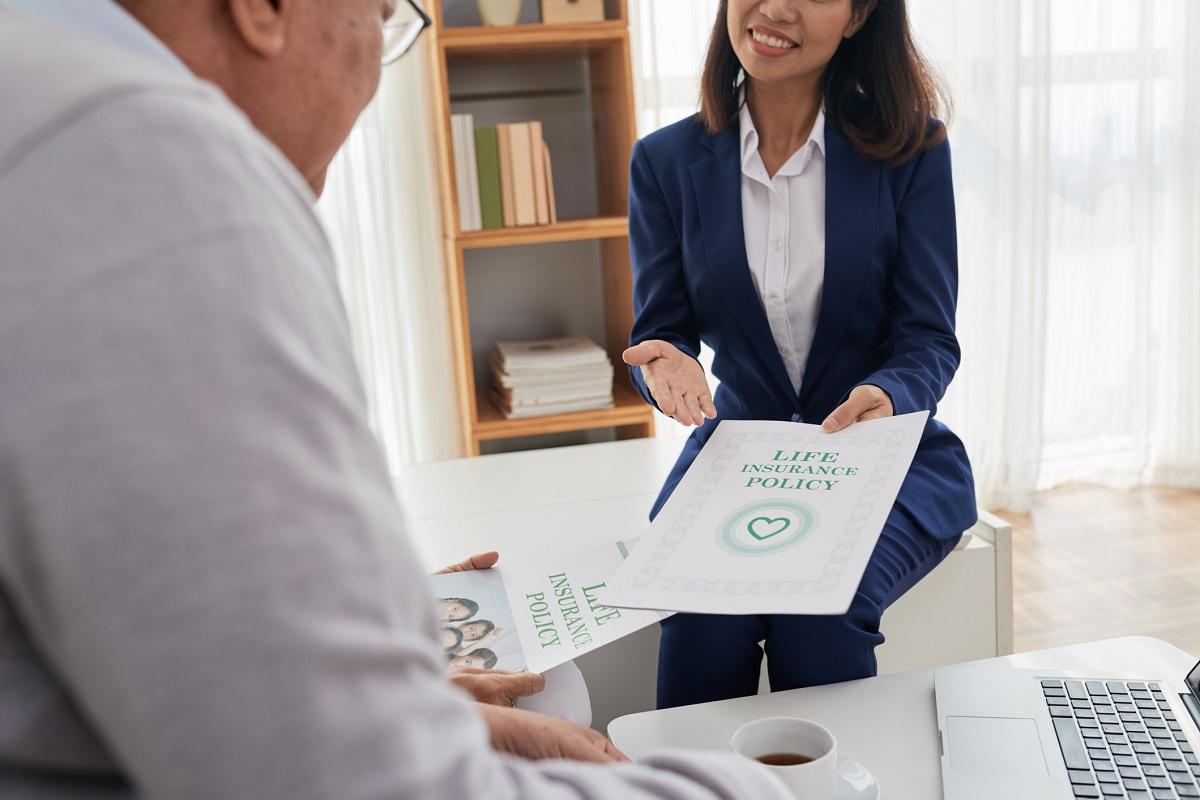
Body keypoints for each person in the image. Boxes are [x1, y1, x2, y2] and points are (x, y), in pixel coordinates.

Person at [0, 1, 796, 798]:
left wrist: (385, 651)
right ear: (265, 11)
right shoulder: (149, 171)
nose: (375, 73)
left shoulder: (42, 89)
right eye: (382, 20)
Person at [622, 0, 977, 709]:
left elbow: (929, 340)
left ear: (856, 16)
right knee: (697, 618)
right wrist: (666, 368)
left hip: (879, 456)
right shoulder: (665, 161)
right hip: (743, 462)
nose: (774, 7)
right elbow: (661, 336)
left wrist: (890, 393)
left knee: (819, 615)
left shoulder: (912, 149)